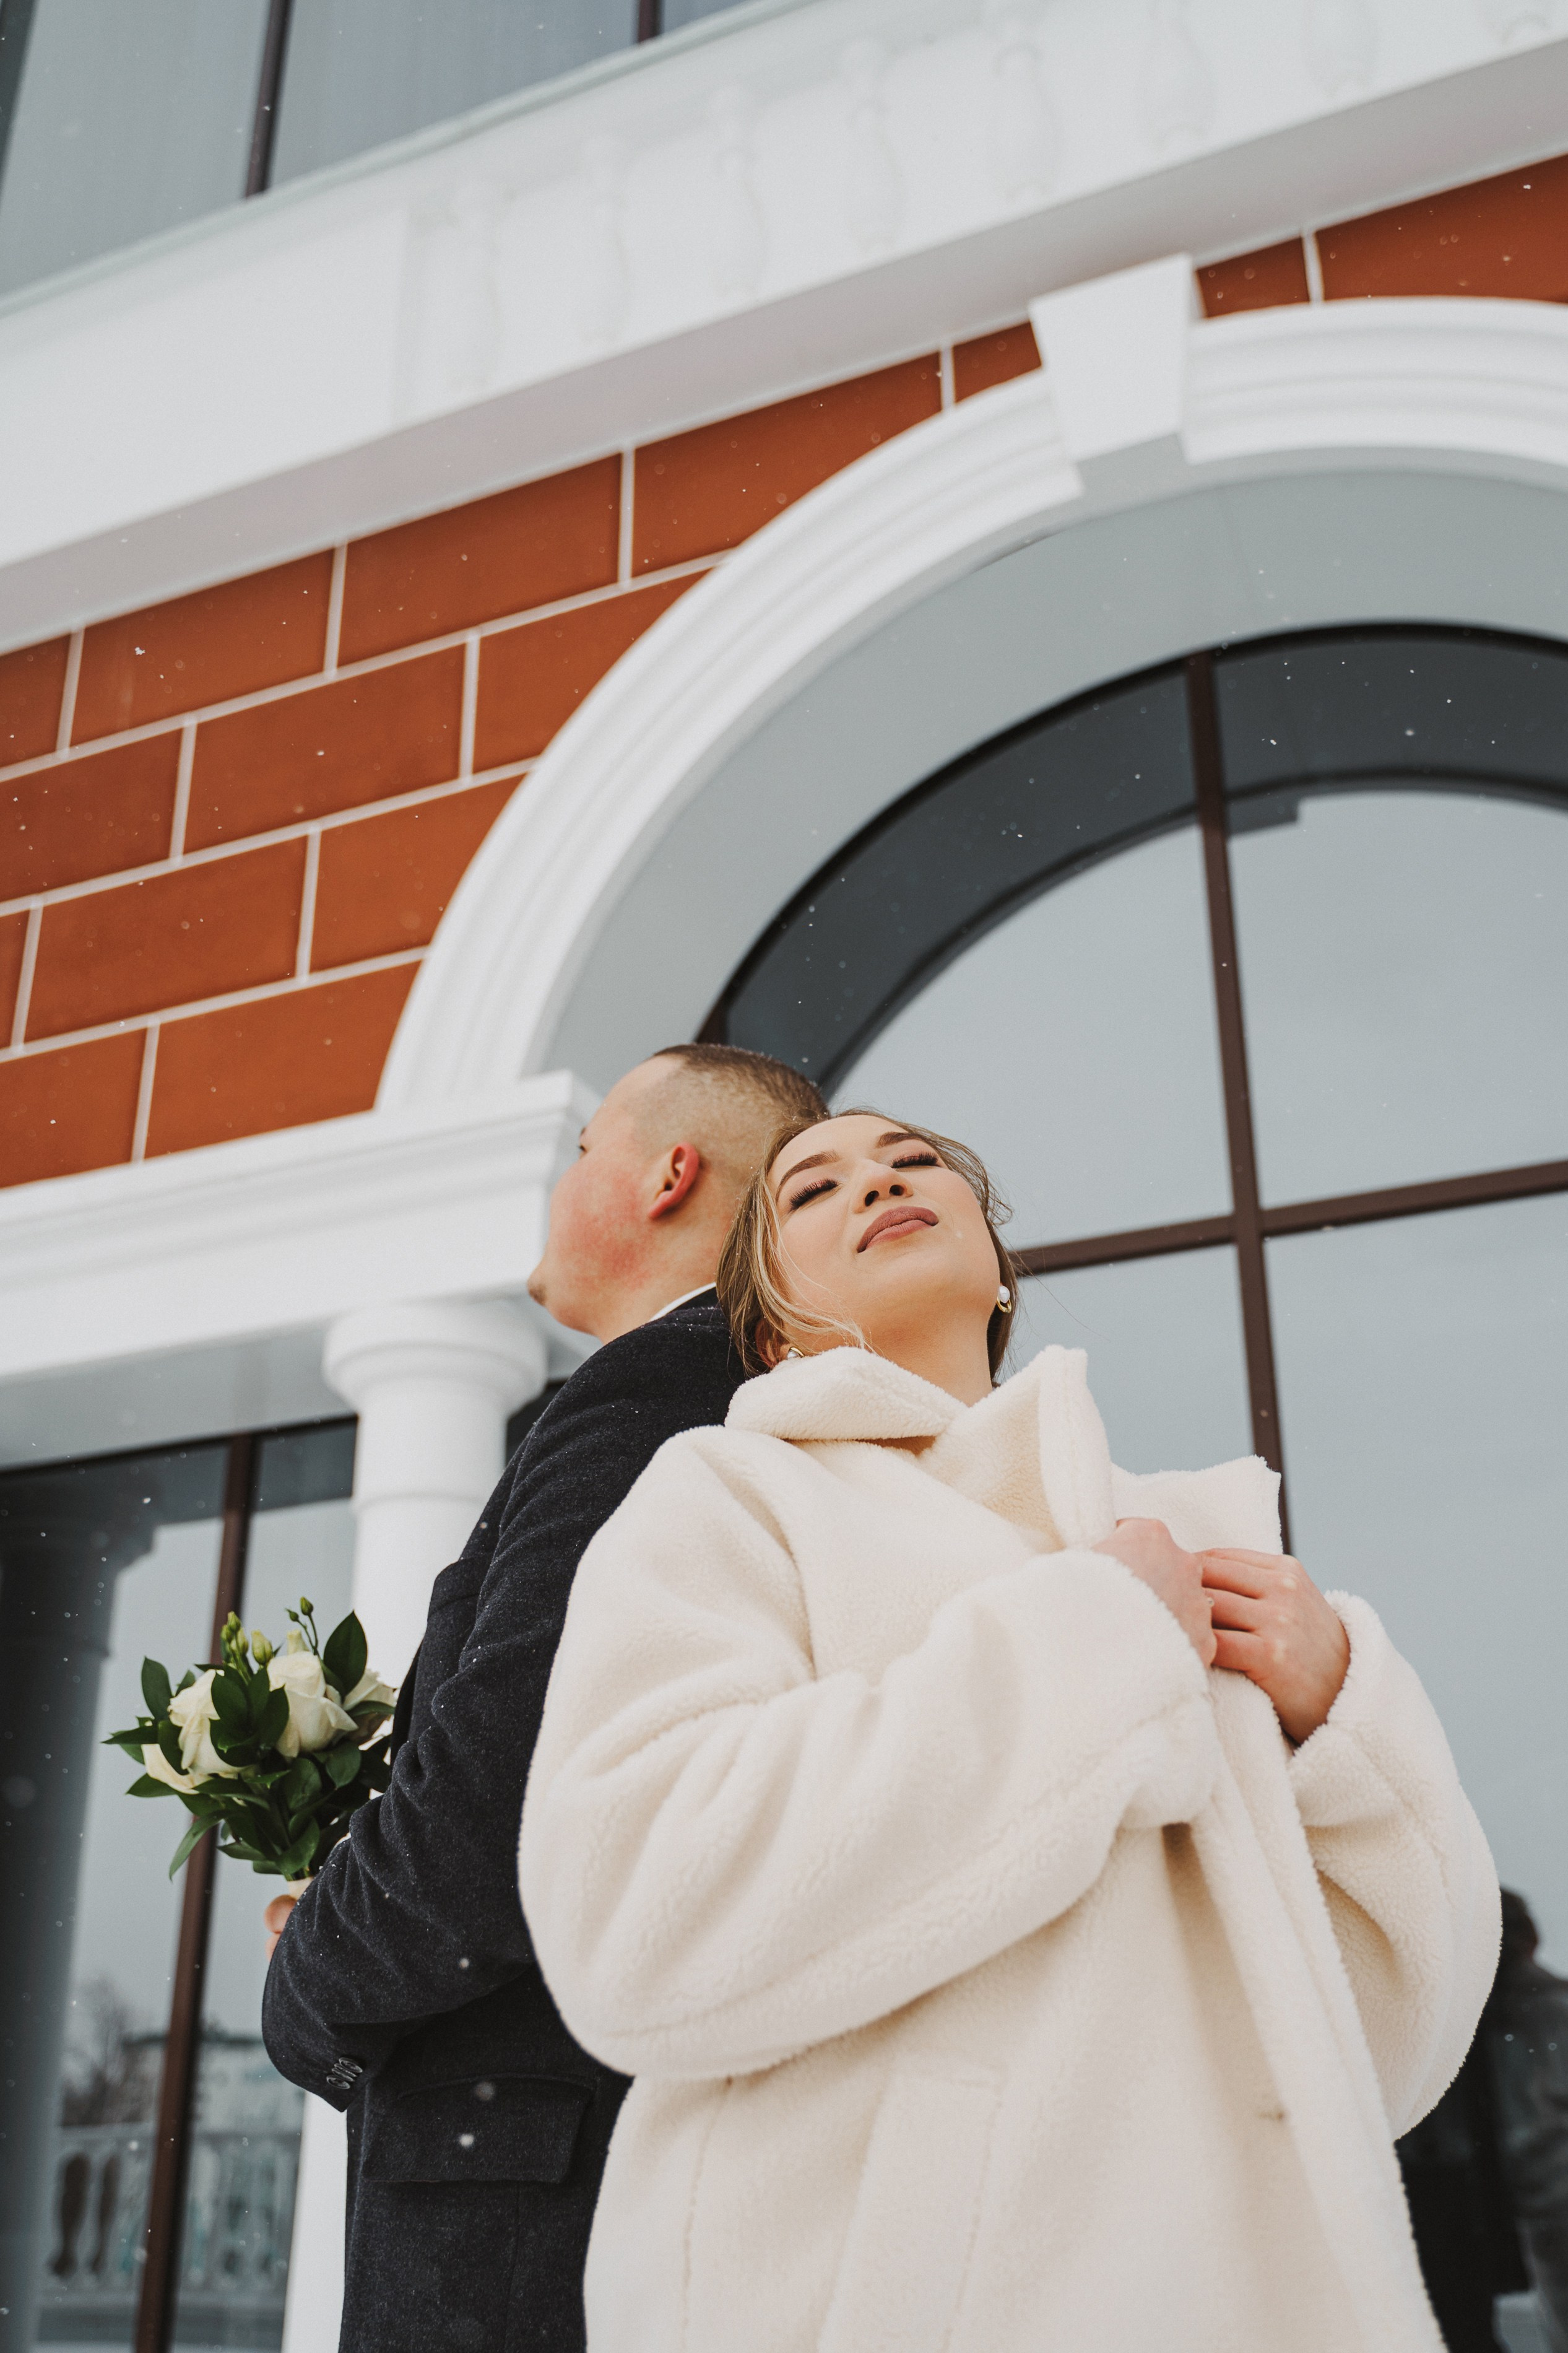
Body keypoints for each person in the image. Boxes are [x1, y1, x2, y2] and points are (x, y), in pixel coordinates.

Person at [520, 1108, 1501, 2353]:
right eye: (814, 1189)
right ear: (771, 1331)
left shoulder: (1191, 1546)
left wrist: (1345, 1718)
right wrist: (1090, 1650)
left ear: (997, 1271)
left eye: (916, 1162)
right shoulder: (727, 1499)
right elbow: (637, 1913)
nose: (878, 1176)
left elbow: (1379, 2051)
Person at [261, 1044, 826, 2353]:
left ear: (667, 1174)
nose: (563, 1182)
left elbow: (508, 1782)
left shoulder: (650, 1392)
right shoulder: (761, 1404)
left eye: (584, 1152)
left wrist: (307, 1990)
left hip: (522, 2206)